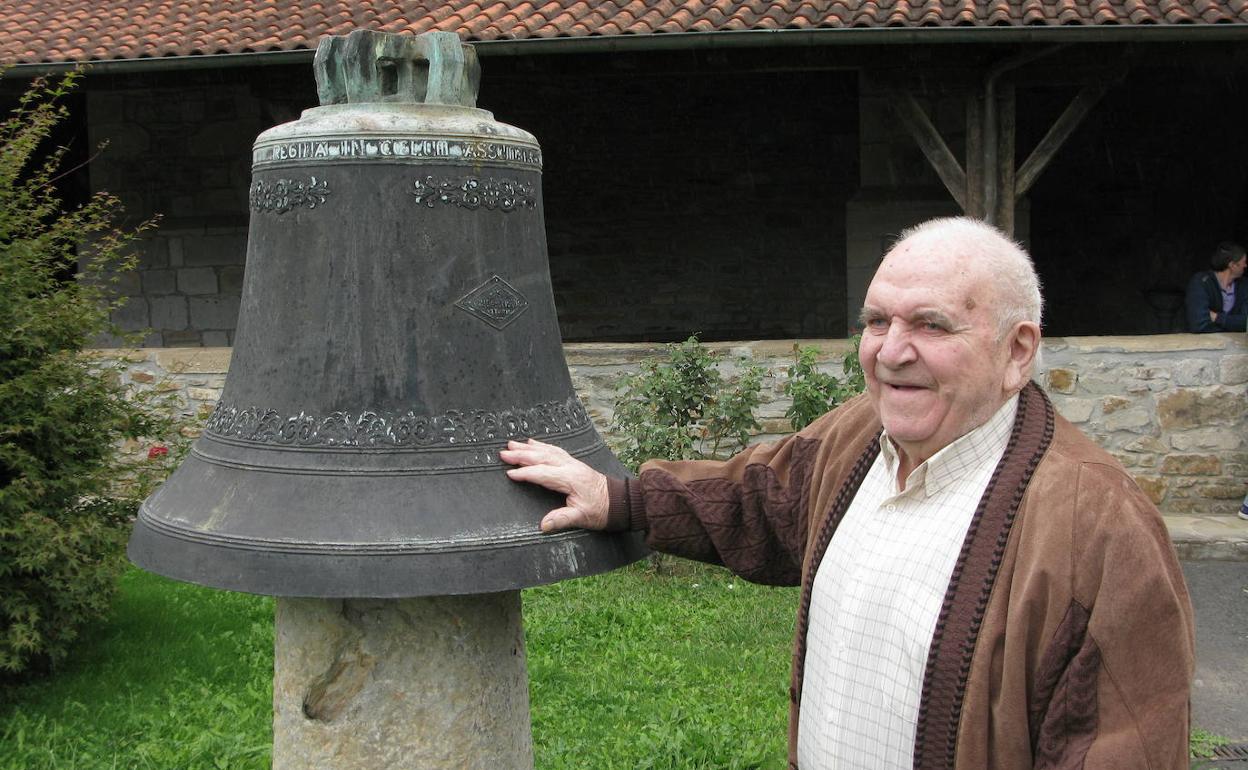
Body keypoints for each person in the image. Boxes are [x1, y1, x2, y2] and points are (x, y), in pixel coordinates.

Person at [501, 217, 1194, 770]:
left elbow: (1122, 743)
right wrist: (618, 499)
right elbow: (757, 501)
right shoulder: (859, 436)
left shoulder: (1099, 528)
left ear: (1018, 351)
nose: (890, 352)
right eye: (876, 321)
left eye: (931, 324)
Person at [1186, 241, 1247, 333]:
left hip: (1238, 346)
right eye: (1244, 262)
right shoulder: (1201, 282)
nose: (1246, 265)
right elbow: (1198, 325)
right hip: (1205, 345)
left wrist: (1217, 318)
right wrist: (1233, 325)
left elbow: (1246, 323)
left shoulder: (1245, 285)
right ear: (1232, 265)